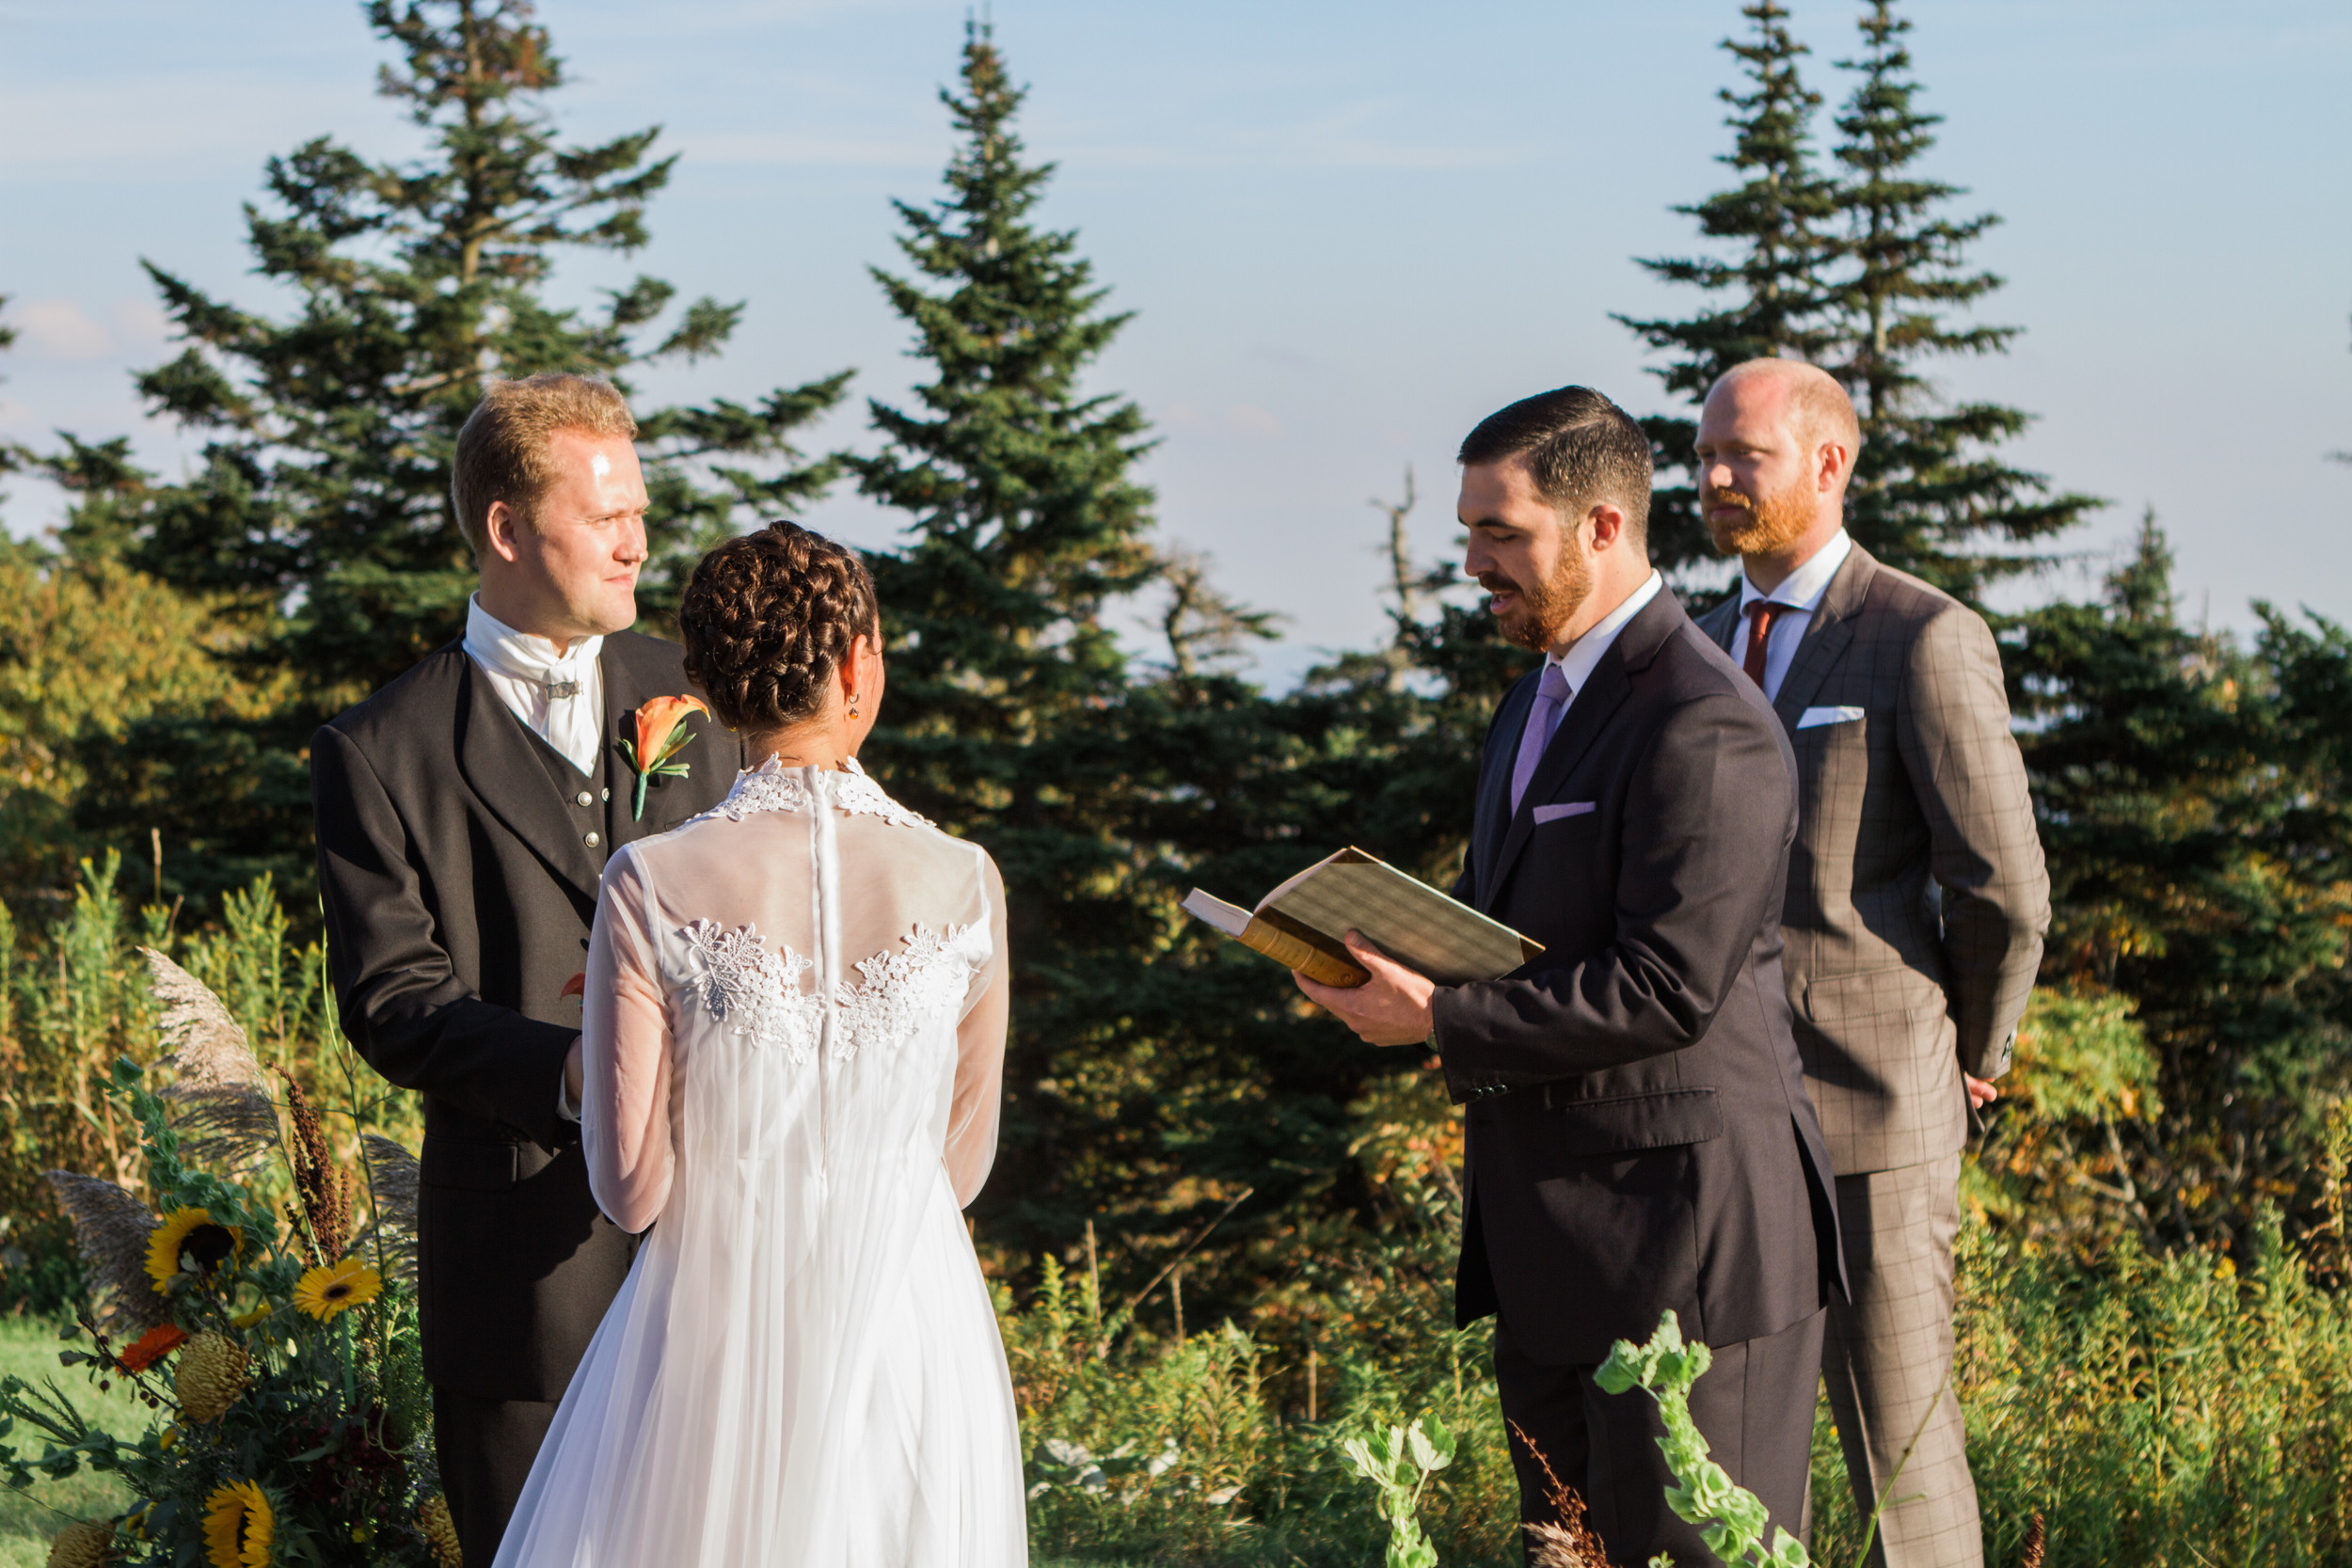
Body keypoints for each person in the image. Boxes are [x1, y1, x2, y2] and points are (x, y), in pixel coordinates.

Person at [1301, 386, 1842, 1565]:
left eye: (1502, 533)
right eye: (1468, 532)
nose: (1474, 562)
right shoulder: (1531, 702)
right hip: (1553, 1250)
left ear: (1602, 526)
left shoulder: (1707, 721)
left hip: (1686, 1253)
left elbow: (1667, 986)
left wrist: (1439, 1015)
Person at [493, 521, 1024, 1567]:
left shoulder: (650, 881)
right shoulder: (966, 879)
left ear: (710, 686)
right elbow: (958, 1170)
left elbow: (631, 1189)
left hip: (718, 1336)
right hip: (909, 1334)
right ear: (858, 664)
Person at [312, 373, 734, 1566]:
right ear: (506, 528)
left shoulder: (696, 691)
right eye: (607, 515)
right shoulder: (379, 748)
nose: (637, 540)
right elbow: (398, 1004)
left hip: (723, 1256)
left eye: (640, 510)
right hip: (521, 1280)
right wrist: (592, 1073)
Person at [1692, 359, 2047, 1568]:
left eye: (1744, 454)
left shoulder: (1923, 635)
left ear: (1828, 462)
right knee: (1724, 1445)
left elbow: (2002, 888)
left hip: (1876, 1112)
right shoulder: (1693, 645)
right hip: (1717, 1112)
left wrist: (1972, 1053)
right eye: (1705, 456)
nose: (1716, 478)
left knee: (1899, 1447)